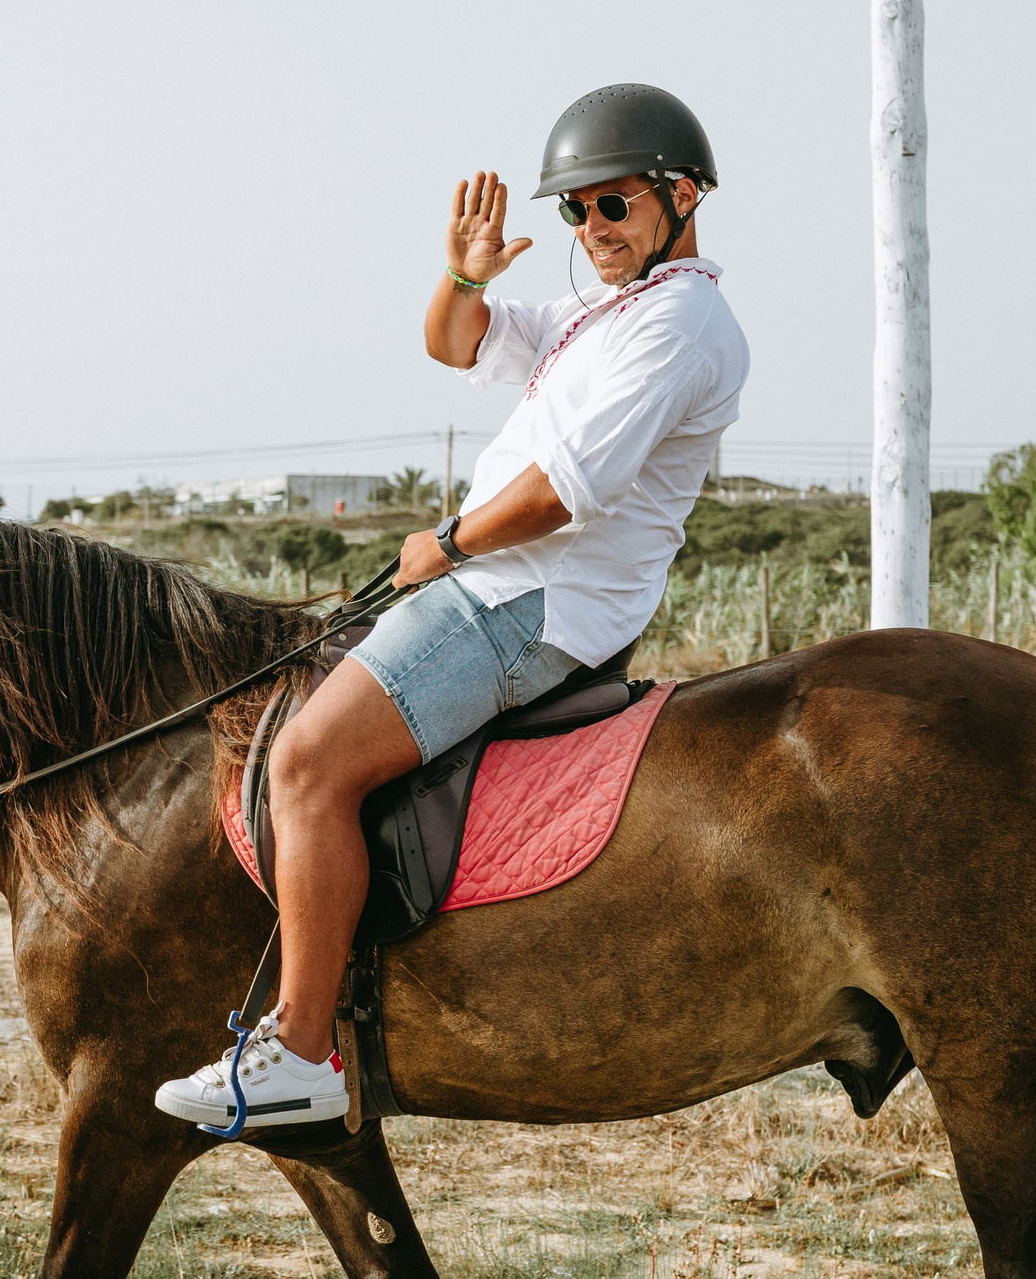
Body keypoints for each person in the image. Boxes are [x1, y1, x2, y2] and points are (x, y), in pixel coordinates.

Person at [155, 84, 750, 1129]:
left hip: (531, 597)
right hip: (500, 579)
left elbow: (564, 491)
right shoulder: (598, 313)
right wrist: (462, 272)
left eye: (611, 205)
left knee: (302, 763)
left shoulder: (683, 320)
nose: (592, 230)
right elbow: (455, 343)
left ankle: (298, 1051)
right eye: (575, 212)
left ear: (682, 192)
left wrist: (447, 542)